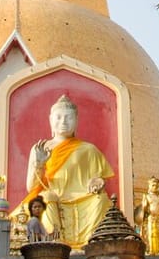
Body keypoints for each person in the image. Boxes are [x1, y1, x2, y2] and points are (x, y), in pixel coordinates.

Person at [25, 95, 115, 250]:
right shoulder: (40, 148)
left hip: (82, 198)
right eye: (58, 117)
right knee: (46, 199)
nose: (63, 122)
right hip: (54, 197)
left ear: (77, 121)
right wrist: (39, 165)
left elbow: (100, 180)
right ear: (50, 120)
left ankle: (90, 243)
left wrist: (98, 183)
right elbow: (31, 187)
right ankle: (55, 242)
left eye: (69, 117)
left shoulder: (88, 149)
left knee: (101, 200)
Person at [134, 176, 159, 255]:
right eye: (153, 185)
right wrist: (144, 204)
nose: (155, 187)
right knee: (151, 234)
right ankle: (151, 250)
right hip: (151, 217)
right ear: (149, 186)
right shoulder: (147, 196)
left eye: (157, 186)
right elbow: (144, 207)